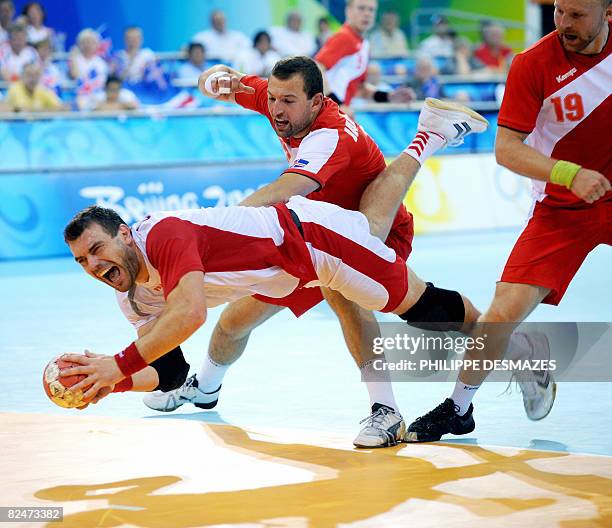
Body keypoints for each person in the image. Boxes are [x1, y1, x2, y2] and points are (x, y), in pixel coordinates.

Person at [139, 57, 485, 449]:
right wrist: (213, 80)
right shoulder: (280, 101)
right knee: (234, 321)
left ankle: (385, 410)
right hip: (307, 239)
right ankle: (205, 387)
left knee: (346, 300)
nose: (276, 109)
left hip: (368, 233)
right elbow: (226, 81)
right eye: (273, 98)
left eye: (287, 101)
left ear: (316, 101)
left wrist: (219, 224)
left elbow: (282, 190)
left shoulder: (328, 136)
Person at [402, 0, 612, 443]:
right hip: (562, 209)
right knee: (501, 313)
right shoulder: (533, 64)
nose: (564, 24)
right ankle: (458, 409)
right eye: (558, 11)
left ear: (607, 13)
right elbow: (507, 149)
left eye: (576, 15)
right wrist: (568, 174)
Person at [315, 0, 414, 114]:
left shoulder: (365, 45)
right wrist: (337, 105)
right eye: (361, 8)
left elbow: (360, 89)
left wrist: (389, 96)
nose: (367, 14)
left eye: (371, 10)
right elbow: (317, 68)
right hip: (327, 114)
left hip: (337, 113)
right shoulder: (344, 36)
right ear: (348, 11)